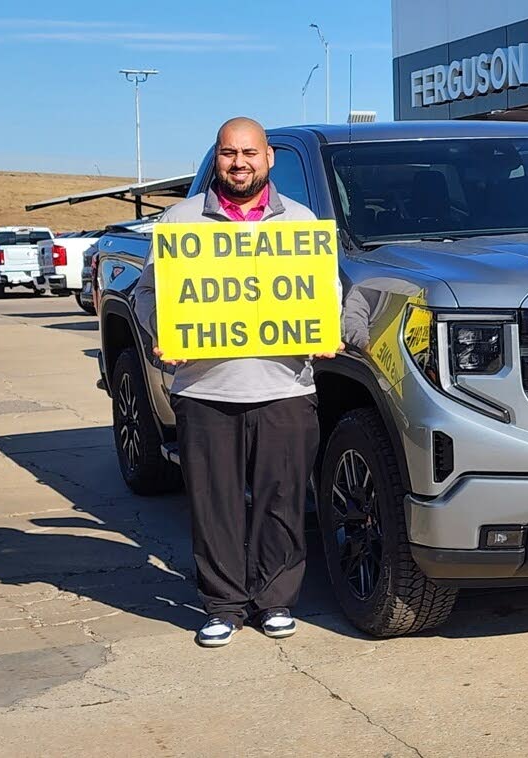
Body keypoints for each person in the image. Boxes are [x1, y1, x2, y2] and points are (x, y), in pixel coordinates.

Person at [135, 117, 342, 648]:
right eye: (228, 153)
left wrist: (328, 330)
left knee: (283, 499)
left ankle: (275, 600)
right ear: (217, 158)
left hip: (285, 387)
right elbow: (150, 294)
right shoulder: (182, 222)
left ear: (269, 157)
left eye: (249, 153)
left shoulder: (301, 223)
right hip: (206, 390)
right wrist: (164, 331)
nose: (239, 163)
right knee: (214, 502)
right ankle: (223, 604)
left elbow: (328, 294)